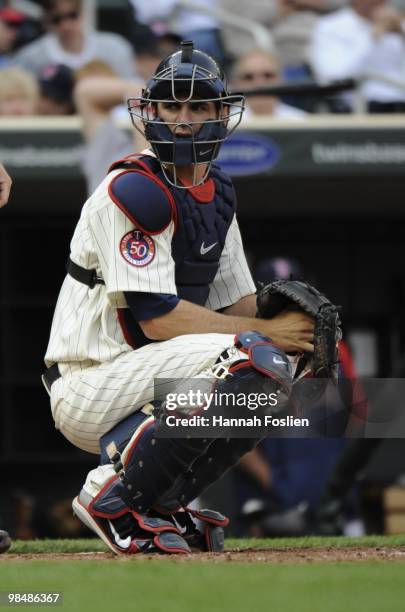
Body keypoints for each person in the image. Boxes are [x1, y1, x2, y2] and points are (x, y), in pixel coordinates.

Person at [43, 40, 315, 555]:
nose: (183, 119)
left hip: (145, 374)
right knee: (254, 353)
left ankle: (159, 499)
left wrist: (298, 334)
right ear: (150, 113)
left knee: (282, 368)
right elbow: (158, 320)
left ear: (219, 113)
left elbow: (240, 308)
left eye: (197, 106)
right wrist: (271, 335)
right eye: (171, 105)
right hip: (90, 381)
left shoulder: (217, 192)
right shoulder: (132, 189)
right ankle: (113, 495)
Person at [13, 0, 136, 79]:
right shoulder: (31, 56)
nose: (66, 25)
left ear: (82, 13)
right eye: (57, 19)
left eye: (72, 15)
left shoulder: (114, 47)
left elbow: (130, 90)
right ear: (46, 22)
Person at [231, 49, 306, 118]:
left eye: (268, 75)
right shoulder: (225, 126)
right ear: (236, 83)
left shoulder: (304, 123)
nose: (259, 84)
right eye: (248, 77)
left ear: (281, 80)